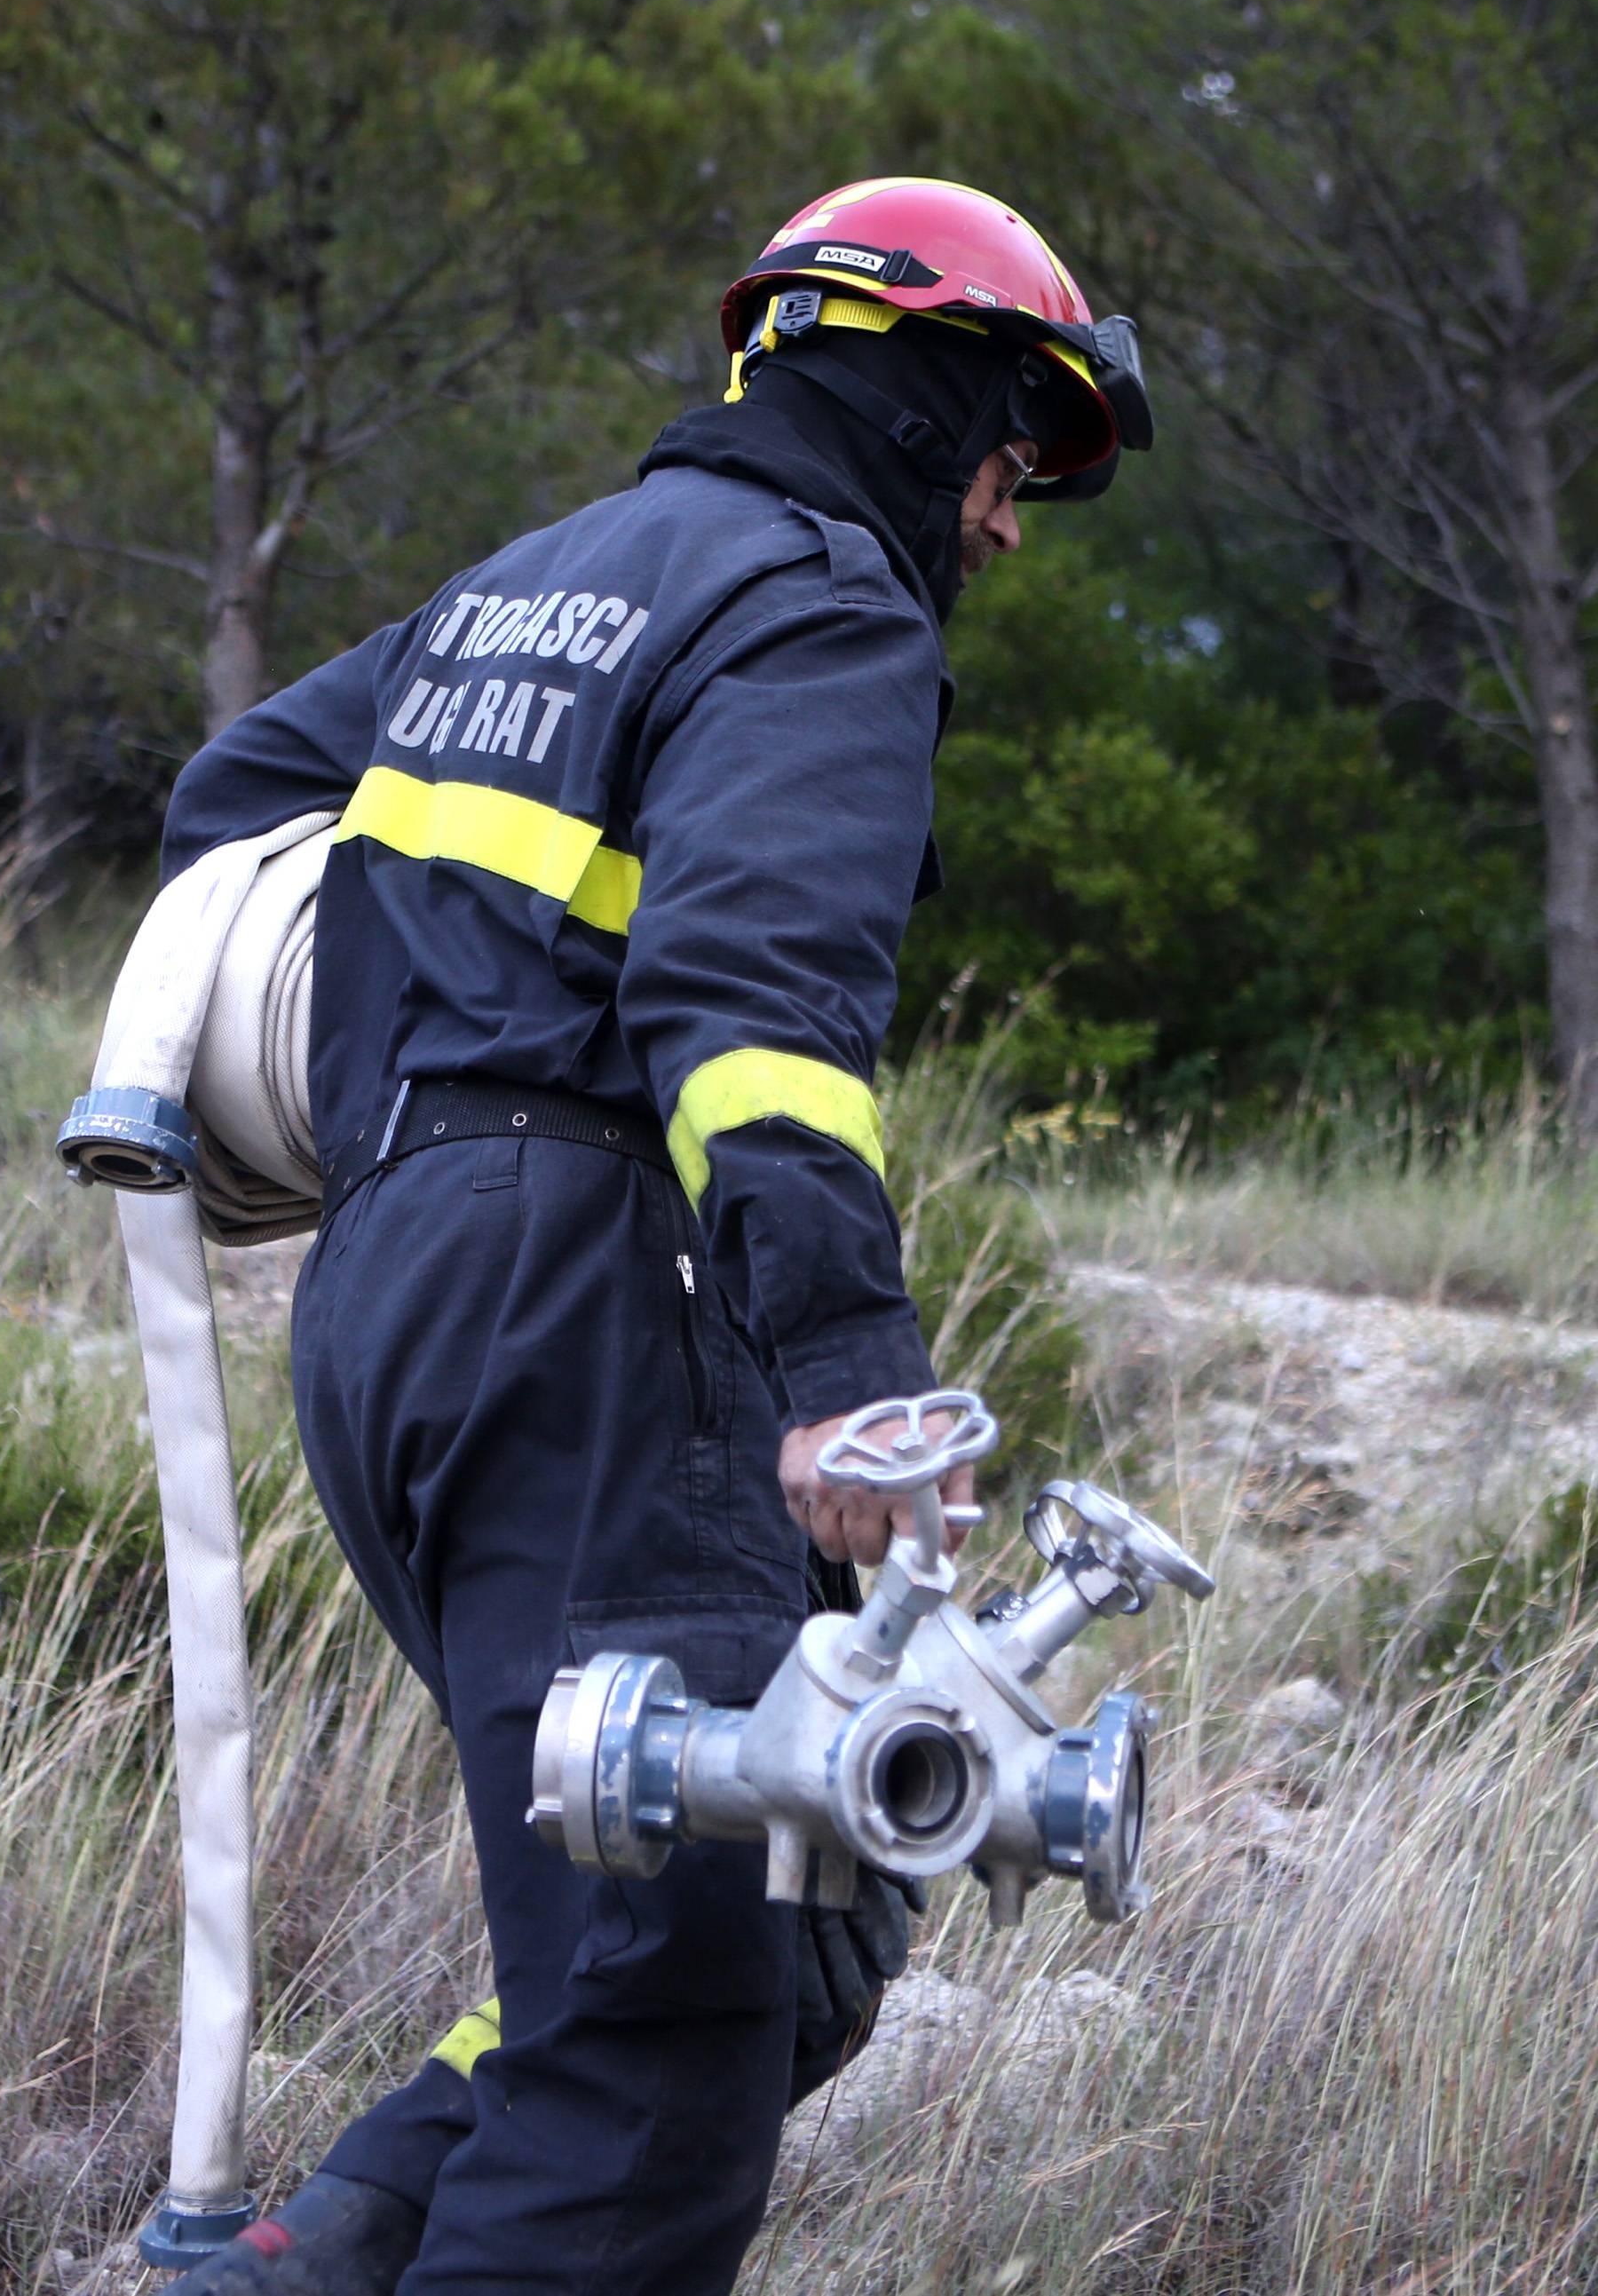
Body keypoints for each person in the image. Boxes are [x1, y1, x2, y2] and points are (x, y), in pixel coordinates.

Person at [164, 176, 1150, 2294]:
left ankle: (298, 2260)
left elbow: (226, 813)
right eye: (1009, 451)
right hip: (601, 1302)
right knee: (665, 2031)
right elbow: (750, 1007)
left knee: (751, 1933)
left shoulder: (527, 587)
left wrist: (417, 1073)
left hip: (391, 1304)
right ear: (914, 397)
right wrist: (854, 1372)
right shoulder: (821, 605)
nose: (1003, 520)